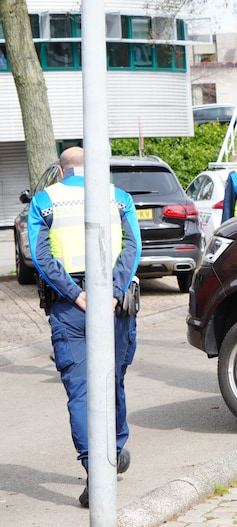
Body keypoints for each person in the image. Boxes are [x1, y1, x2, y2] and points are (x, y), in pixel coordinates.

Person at [28, 147, 141, 507]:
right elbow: (133, 247)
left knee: (80, 390)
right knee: (113, 380)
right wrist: (113, 293)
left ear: (62, 171)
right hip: (114, 305)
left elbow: (41, 256)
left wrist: (76, 294)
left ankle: (96, 470)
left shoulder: (45, 201)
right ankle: (115, 451)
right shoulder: (118, 197)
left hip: (70, 307)